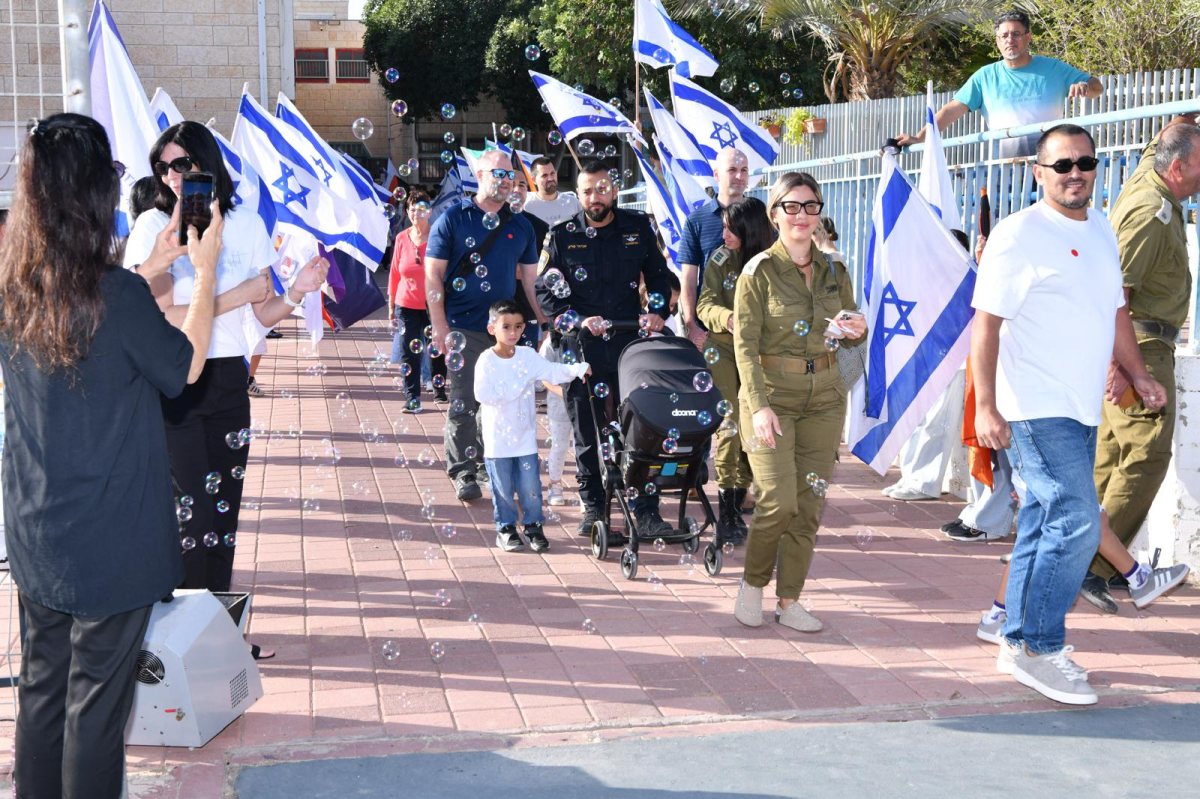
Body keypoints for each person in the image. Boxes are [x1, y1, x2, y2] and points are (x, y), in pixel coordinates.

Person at [0, 113, 217, 799]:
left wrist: (147, 268)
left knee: (42, 690)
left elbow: (81, 317)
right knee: (94, 712)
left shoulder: (15, 284)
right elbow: (182, 368)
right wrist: (203, 275)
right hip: (112, 542)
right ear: (93, 195)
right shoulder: (115, 298)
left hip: (39, 532)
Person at [970, 123, 1166, 705]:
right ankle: (1039, 646)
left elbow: (1115, 313)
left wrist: (1138, 373)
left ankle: (1016, 638)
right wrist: (985, 405)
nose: (1075, 173)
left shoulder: (1102, 227)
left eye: (1085, 162)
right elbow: (986, 324)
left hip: (1080, 408)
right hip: (1034, 405)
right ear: (1038, 172)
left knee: (1043, 521)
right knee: (1077, 518)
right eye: (1062, 165)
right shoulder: (1019, 235)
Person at [124, 121, 329, 607]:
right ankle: (187, 631)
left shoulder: (245, 223)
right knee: (190, 513)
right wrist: (233, 293)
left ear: (205, 164)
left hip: (230, 375)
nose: (172, 176)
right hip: (176, 379)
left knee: (223, 511)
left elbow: (265, 310)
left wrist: (298, 291)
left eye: (181, 164)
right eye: (163, 167)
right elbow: (162, 316)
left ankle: (220, 626)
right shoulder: (156, 229)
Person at [731, 172, 867, 633]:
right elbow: (744, 347)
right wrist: (759, 406)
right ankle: (752, 586)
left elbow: (844, 327)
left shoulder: (835, 270)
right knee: (778, 501)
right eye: (792, 206)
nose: (802, 216)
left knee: (808, 506)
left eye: (811, 206)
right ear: (774, 214)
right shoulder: (757, 273)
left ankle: (789, 601)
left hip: (824, 399)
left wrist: (854, 328)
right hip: (772, 398)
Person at [1077, 121, 1200, 613]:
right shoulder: (1152, 212)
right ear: (1177, 168)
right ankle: (1098, 567)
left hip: (1134, 344)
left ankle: (1080, 556)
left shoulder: (1150, 176)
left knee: (1110, 458)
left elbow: (1171, 133)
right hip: (1140, 346)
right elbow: (1117, 292)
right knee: (1146, 454)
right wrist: (1120, 364)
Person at [536, 159, 674, 538]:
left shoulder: (638, 227)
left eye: (601, 188)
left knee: (642, 427)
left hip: (631, 344)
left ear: (613, 189)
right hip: (580, 347)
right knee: (585, 428)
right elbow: (544, 290)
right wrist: (577, 319)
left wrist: (658, 311)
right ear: (577, 195)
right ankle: (594, 506)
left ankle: (645, 509)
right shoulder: (560, 236)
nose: (594, 197)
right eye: (586, 191)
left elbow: (660, 277)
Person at [425, 149, 545, 501]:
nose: (506, 181)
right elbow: (433, 273)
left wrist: (545, 320)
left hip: (505, 332)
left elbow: (529, 281)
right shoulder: (453, 219)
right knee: (464, 401)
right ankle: (463, 470)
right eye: (498, 173)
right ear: (479, 175)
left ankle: (481, 462)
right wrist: (439, 325)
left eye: (510, 175)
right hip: (463, 326)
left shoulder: (521, 225)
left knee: (498, 402)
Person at [896, 10, 1102, 159]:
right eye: (1004, 35)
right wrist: (920, 138)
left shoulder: (1054, 68)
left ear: (1028, 37)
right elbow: (951, 110)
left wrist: (1085, 85)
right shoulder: (984, 76)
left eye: (1016, 34)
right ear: (997, 41)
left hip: (1049, 164)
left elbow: (1097, 88)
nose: (1009, 40)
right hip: (1004, 168)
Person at [475, 300, 589, 553]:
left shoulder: (527, 355)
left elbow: (552, 370)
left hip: (524, 438)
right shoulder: (486, 360)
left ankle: (533, 526)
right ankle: (505, 529)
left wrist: (578, 368)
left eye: (518, 326)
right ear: (492, 328)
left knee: (531, 489)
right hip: (497, 441)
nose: (513, 332)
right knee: (503, 489)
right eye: (506, 327)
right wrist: (518, 387)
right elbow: (483, 394)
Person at [695, 196, 773, 546]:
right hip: (723, 350)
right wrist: (723, 318)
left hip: (764, 355)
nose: (724, 234)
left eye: (731, 228)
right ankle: (727, 512)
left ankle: (753, 496)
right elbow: (705, 303)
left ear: (751, 230)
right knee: (729, 424)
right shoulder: (719, 259)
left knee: (759, 424)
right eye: (723, 226)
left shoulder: (776, 261)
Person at [679, 147, 750, 351]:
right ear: (716, 174)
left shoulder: (760, 217)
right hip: (711, 332)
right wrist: (691, 324)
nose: (739, 176)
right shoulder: (697, 221)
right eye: (732, 169)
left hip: (755, 330)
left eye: (744, 170)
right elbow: (689, 279)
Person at [388, 189, 447, 412]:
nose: (416, 214)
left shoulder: (438, 236)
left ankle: (439, 390)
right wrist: (391, 305)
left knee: (437, 347)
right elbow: (394, 273)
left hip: (433, 304)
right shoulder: (402, 238)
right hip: (407, 303)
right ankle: (412, 397)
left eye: (421, 210)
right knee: (408, 352)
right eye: (412, 209)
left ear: (430, 212)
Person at [523, 156, 581, 227]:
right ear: (533, 180)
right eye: (544, 175)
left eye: (552, 173)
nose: (550, 178)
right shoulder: (526, 205)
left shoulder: (573, 202)